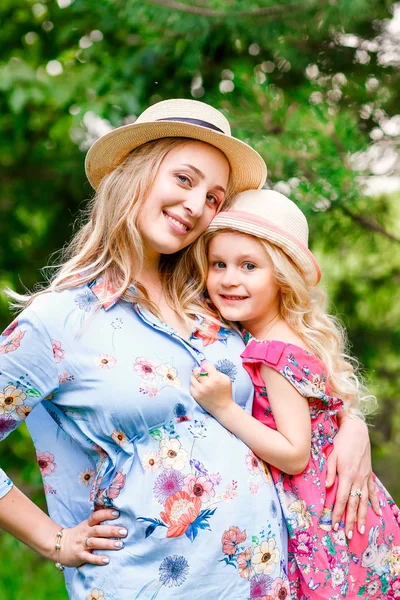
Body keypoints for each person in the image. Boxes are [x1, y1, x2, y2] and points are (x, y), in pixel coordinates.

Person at [0, 99, 375, 600]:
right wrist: (54, 539)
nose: (197, 205)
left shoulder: (217, 306)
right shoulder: (60, 321)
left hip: (269, 584)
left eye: (215, 197)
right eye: (184, 179)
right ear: (136, 173)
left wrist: (352, 425)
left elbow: (296, 378)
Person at [189, 189, 400, 599]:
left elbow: (294, 452)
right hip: (346, 511)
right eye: (219, 264)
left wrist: (224, 408)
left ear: (281, 276)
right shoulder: (290, 335)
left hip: (326, 519)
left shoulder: (272, 353)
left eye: (249, 266)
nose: (230, 278)